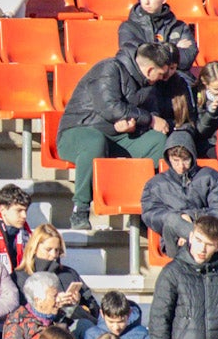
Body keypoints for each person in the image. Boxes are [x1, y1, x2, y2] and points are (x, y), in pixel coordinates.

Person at [56, 43, 172, 229]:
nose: (164, 78)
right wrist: (148, 120)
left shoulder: (149, 85)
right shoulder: (108, 69)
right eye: (161, 74)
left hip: (118, 138)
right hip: (79, 130)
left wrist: (134, 126)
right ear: (150, 69)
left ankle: (146, 206)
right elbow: (110, 108)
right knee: (95, 142)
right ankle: (81, 208)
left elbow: (147, 116)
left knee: (157, 142)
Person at [142, 131, 218, 258]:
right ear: (168, 158)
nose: (181, 166)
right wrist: (180, 221)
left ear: (193, 157)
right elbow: (150, 215)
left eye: (186, 160)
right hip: (176, 241)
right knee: (172, 220)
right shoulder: (156, 184)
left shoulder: (210, 177)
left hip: (207, 238)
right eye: (176, 161)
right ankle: (191, 236)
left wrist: (191, 222)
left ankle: (194, 237)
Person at [117, 0, 197, 74]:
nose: (146, 2)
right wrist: (173, 48)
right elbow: (137, 57)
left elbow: (187, 59)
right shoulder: (128, 27)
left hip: (175, 78)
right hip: (145, 80)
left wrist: (149, 47)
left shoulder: (179, 27)